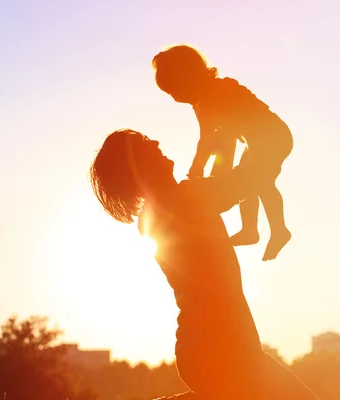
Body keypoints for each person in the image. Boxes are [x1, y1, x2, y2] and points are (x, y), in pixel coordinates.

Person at [89, 129, 317, 399]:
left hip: (209, 350)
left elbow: (228, 184)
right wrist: (258, 133)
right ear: (137, 165)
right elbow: (245, 181)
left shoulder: (154, 216)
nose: (156, 142)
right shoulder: (185, 198)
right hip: (223, 351)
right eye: (144, 143)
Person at [152, 45, 294, 261]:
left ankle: (279, 230)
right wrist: (197, 166)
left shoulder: (222, 91)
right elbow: (206, 139)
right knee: (250, 180)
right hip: (254, 144)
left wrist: (217, 171)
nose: (174, 98)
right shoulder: (201, 104)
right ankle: (250, 230)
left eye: (175, 90)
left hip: (274, 135)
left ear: (190, 77)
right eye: (169, 94)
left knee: (261, 182)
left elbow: (225, 138)